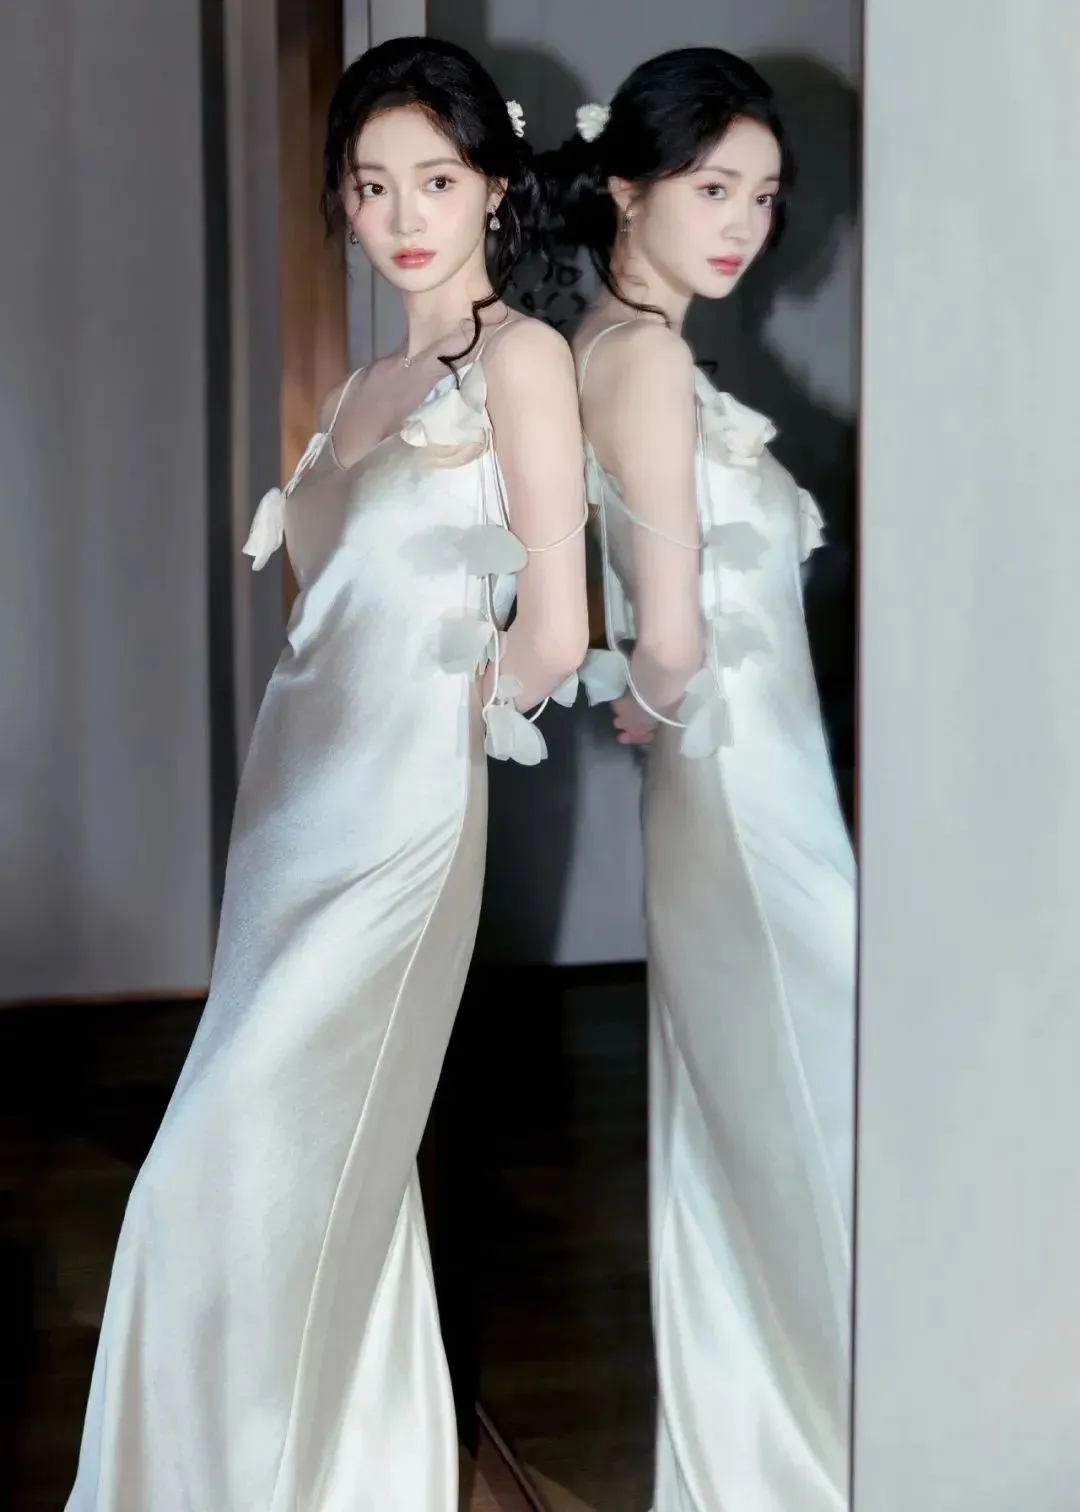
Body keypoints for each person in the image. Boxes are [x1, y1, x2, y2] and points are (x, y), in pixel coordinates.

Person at [66, 36, 588, 1511]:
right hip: (285, 817)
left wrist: (438, 731)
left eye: (437, 178)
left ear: (495, 187)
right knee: (310, 1174)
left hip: (396, 831)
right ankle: (344, 1471)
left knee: (205, 1176)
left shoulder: (520, 359)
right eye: (371, 185)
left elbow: (558, 629)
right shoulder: (361, 384)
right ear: (343, 201)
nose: (403, 214)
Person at [542, 49, 855, 1511]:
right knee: (820, 1117)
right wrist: (654, 695)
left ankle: (784, 1452)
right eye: (712, 186)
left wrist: (651, 702)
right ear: (626, 186)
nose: (743, 224)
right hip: (749, 800)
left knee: (757, 1127)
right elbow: (664, 633)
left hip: (729, 790)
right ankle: (866, 1439)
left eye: (764, 197)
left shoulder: (608, 340)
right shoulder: (649, 359)